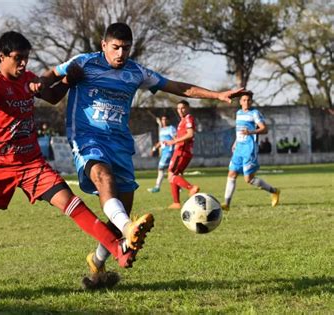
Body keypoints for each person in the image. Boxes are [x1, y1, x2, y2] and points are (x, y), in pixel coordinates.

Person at [0, 31, 151, 297]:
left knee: (71, 203)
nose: (23, 64)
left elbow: (52, 96)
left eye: (26, 59)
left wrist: (67, 80)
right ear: (2, 56)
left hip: (31, 163)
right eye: (18, 59)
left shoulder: (28, 79)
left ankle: (118, 249)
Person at [43, 22, 244, 289]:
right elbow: (48, 76)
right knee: (104, 179)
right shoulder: (84, 62)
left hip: (121, 143)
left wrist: (217, 94)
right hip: (88, 137)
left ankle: (97, 264)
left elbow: (177, 87)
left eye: (126, 48)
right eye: (115, 48)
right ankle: (128, 230)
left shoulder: (136, 72)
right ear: (104, 45)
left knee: (120, 209)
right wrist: (41, 84)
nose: (120, 54)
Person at [221, 91, 280, 211]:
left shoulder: (255, 113)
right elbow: (239, 130)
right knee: (231, 174)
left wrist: (251, 132)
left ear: (251, 101)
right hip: (239, 148)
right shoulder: (238, 113)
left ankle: (274, 191)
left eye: (248, 100)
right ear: (240, 101)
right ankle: (226, 204)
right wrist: (235, 142)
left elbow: (264, 129)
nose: (246, 102)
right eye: (244, 100)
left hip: (249, 149)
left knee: (249, 179)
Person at [164, 100, 200, 209]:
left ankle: (191, 188)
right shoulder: (183, 120)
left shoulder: (188, 118)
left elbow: (190, 134)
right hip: (182, 150)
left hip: (182, 151)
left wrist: (174, 141)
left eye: (183, 108)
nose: (180, 110)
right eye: (178, 108)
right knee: (175, 175)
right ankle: (176, 203)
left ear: (188, 108)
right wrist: (175, 139)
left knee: (171, 175)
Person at [148, 116, 176, 193]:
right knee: (172, 170)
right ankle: (178, 187)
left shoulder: (171, 128)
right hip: (164, 152)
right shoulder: (162, 130)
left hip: (169, 152)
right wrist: (154, 148)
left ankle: (157, 187)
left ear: (168, 120)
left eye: (165, 119)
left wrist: (174, 146)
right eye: (162, 119)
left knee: (161, 168)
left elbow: (176, 139)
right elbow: (161, 142)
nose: (164, 121)